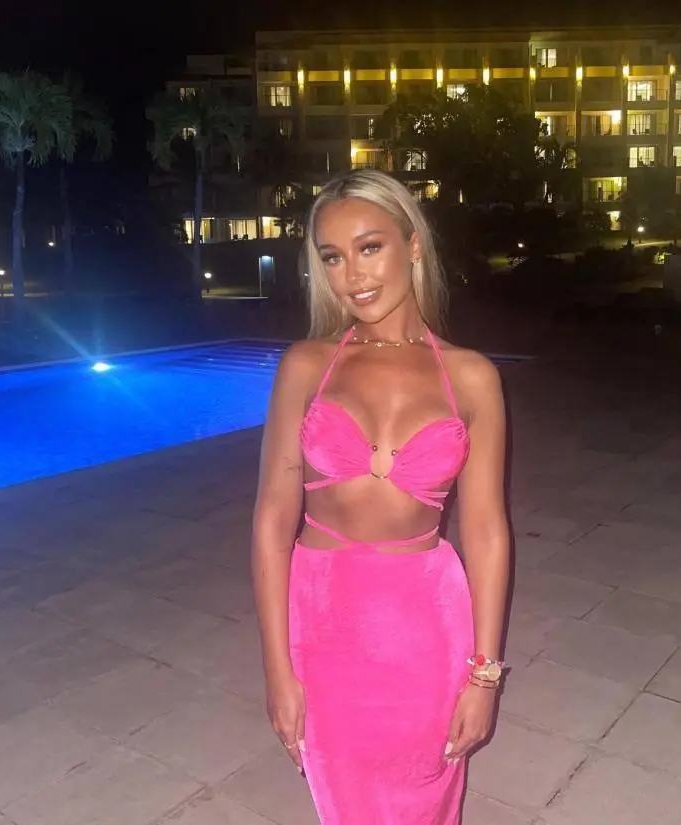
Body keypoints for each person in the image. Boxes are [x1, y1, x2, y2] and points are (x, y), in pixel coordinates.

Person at [251, 169, 511, 824]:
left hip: (425, 623)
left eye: (369, 247)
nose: (353, 275)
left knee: (426, 797)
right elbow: (272, 519)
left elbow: (485, 532)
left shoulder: (471, 376)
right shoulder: (307, 365)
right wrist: (277, 669)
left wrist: (483, 676)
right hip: (323, 620)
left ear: (412, 244)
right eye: (333, 257)